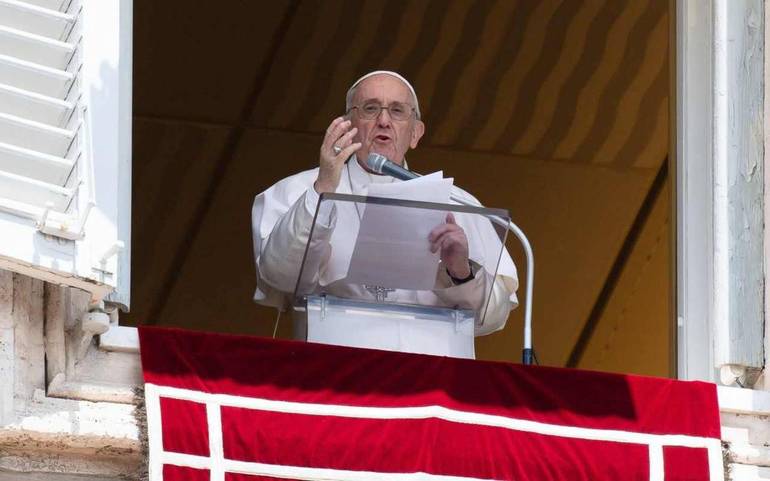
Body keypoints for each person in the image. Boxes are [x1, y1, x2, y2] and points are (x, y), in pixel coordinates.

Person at [252, 71, 518, 358]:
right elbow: (279, 276)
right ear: (348, 125)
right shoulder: (299, 189)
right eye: (370, 108)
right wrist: (323, 189)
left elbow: (494, 317)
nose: (383, 120)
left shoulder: (459, 204)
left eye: (397, 111)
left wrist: (461, 273)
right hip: (332, 371)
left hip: (432, 379)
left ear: (416, 133)